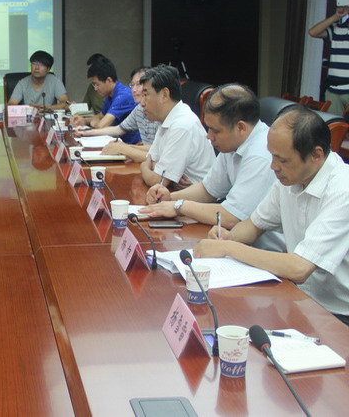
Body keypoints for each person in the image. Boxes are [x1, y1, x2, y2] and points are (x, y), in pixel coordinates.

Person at [194, 106, 349, 326]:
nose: (273, 166)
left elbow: (299, 268)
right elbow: (254, 225)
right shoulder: (290, 178)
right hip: (300, 298)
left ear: (316, 155)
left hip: (339, 314)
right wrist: (228, 237)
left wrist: (228, 248)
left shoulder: (343, 190)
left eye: (282, 160)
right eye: (272, 156)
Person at [142, 84, 284, 252]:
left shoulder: (261, 154)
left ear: (240, 127)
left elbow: (232, 217)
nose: (209, 136)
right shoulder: (233, 143)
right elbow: (208, 190)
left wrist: (178, 206)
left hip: (267, 253)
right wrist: (169, 198)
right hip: (235, 242)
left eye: (215, 130)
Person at [139, 64, 214, 188]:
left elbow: (158, 181)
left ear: (164, 95)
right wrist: (163, 173)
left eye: (146, 95)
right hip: (175, 192)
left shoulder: (182, 125)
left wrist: (144, 167)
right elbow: (151, 160)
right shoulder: (167, 118)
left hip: (195, 197)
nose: (142, 103)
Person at [72, 63, 146, 151]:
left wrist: (94, 124)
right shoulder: (138, 109)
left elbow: (100, 125)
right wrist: (85, 124)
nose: (133, 90)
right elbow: (117, 128)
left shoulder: (124, 96)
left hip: (133, 145)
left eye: (97, 84)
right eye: (132, 85)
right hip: (126, 146)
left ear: (108, 80)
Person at [307, 0, 349, 116]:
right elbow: (313, 32)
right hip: (333, 91)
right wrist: (337, 16)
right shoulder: (337, 29)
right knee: (333, 125)